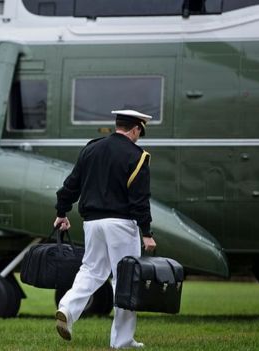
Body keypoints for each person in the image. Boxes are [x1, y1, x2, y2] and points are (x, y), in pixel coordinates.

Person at [52, 109, 157, 349]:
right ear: (136, 129)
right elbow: (140, 199)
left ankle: (67, 309)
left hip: (92, 223)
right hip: (121, 224)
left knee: (91, 270)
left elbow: (71, 185)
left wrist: (61, 212)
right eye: (140, 131)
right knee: (126, 280)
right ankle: (122, 341)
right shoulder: (138, 156)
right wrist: (147, 232)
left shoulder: (91, 148)